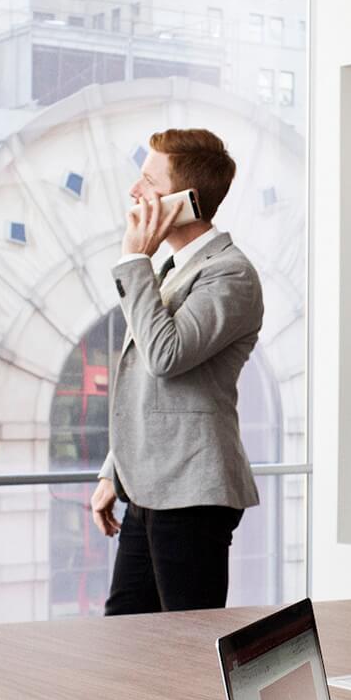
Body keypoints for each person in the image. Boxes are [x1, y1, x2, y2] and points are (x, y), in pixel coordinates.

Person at [90, 128, 264, 614]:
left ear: (185, 200)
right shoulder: (170, 271)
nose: (134, 192)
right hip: (147, 488)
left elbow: (167, 356)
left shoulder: (230, 274)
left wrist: (133, 260)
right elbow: (144, 385)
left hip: (193, 493)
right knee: (126, 639)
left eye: (148, 181)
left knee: (185, 651)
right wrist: (114, 473)